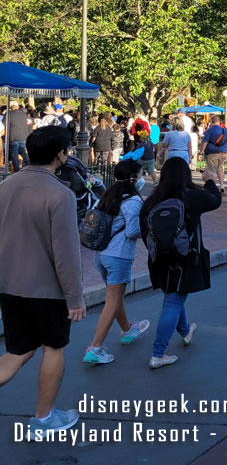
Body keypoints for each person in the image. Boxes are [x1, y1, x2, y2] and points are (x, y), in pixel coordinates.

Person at [0, 126, 85, 433]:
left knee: (18, 350)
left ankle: (45, 417)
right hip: (47, 289)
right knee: (53, 348)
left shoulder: (7, 185)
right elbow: (66, 252)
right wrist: (74, 297)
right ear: (60, 154)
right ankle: (44, 417)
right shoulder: (60, 194)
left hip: (9, 284)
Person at [139, 157, 222, 369]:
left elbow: (144, 232)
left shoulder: (151, 200)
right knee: (173, 301)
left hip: (158, 259)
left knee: (173, 295)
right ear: (186, 175)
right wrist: (210, 180)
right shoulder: (190, 197)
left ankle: (185, 330)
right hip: (185, 259)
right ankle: (158, 353)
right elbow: (215, 200)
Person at [83, 159, 150, 365]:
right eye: (140, 175)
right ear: (133, 178)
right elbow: (132, 231)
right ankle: (95, 347)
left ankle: (128, 330)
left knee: (115, 295)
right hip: (119, 255)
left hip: (101, 254)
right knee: (112, 300)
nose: (142, 179)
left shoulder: (106, 195)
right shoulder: (133, 201)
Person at [201, 115, 227, 192]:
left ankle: (212, 187)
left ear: (211, 121)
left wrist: (201, 153)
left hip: (212, 154)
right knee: (220, 170)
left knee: (212, 171)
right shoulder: (225, 131)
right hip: (223, 153)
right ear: (219, 122)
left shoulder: (209, 131)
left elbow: (204, 143)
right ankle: (222, 185)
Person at [4, 100, 30, 172]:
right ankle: (29, 165)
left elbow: (4, 125)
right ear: (17, 106)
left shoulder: (8, 114)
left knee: (14, 154)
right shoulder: (24, 114)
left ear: (10, 107)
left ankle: (16, 170)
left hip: (13, 136)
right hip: (23, 135)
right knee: (23, 152)